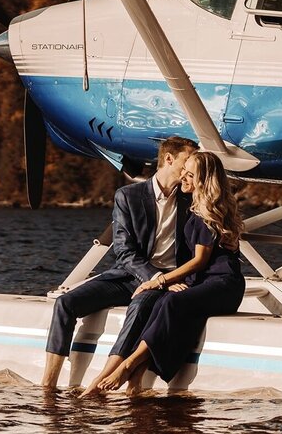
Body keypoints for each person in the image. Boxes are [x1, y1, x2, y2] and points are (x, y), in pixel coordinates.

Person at [41, 136, 199, 389]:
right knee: (65, 303)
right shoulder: (128, 196)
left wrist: (167, 280)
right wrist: (153, 277)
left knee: (138, 308)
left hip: (170, 282)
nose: (193, 164)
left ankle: (105, 379)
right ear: (169, 159)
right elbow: (125, 252)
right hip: (129, 276)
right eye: (188, 159)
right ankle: (48, 385)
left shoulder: (191, 197)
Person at [95, 151, 246, 395]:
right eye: (183, 172)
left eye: (190, 175)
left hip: (224, 285)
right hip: (206, 282)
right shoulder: (197, 206)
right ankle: (137, 376)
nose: (183, 178)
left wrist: (158, 281)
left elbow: (199, 260)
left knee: (172, 302)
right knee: (165, 303)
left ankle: (129, 364)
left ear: (203, 180)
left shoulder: (206, 212)